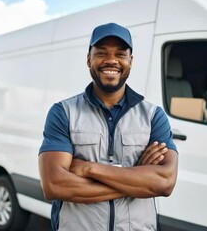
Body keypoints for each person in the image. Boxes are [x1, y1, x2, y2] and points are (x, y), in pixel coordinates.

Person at [38, 22, 178, 231]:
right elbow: (54, 184)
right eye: (102, 53)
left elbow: (164, 182)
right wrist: (137, 179)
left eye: (120, 54)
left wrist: (89, 168)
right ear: (89, 59)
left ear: (131, 61)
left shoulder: (153, 116)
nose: (111, 60)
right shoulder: (63, 113)